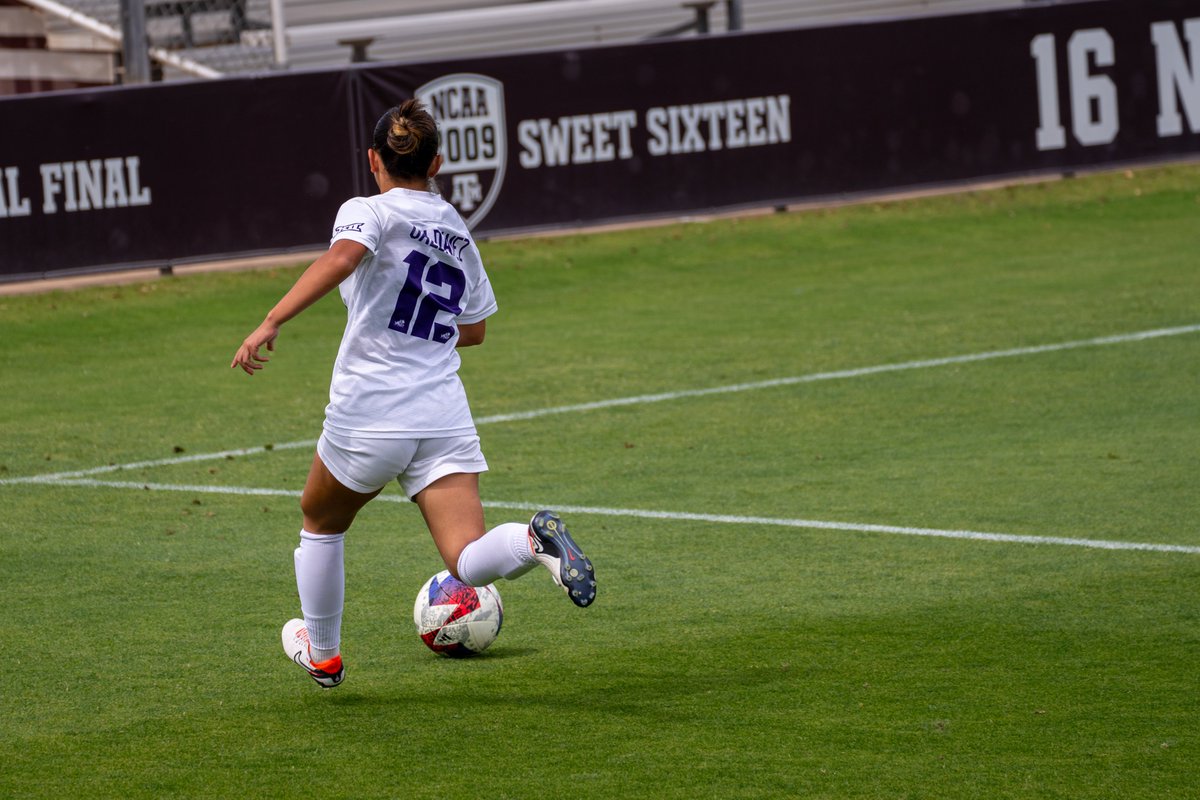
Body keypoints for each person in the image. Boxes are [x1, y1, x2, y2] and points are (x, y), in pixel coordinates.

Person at [231, 99, 595, 689]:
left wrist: (272, 319)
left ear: (373, 160)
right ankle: (533, 540)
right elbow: (474, 330)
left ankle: (322, 654)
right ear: (438, 164)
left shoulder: (367, 211)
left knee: (320, 519)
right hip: (442, 411)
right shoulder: (456, 229)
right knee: (466, 557)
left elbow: (343, 257)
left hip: (371, 410)